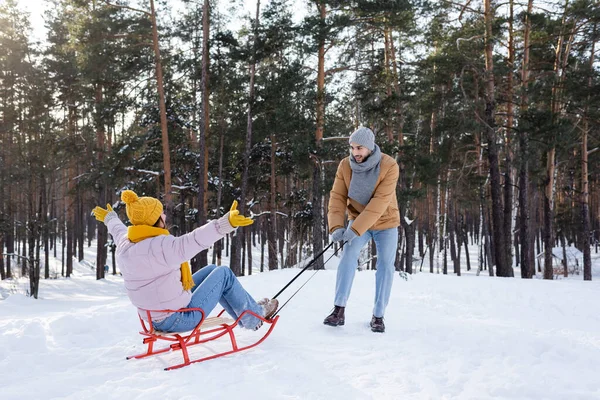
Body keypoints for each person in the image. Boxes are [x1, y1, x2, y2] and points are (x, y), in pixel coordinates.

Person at [92, 190, 278, 332]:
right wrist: (225, 224)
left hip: (154, 318)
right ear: (154, 221)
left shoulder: (127, 243)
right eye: (160, 214)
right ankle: (254, 317)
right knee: (224, 274)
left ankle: (248, 312)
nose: (164, 216)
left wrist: (110, 218)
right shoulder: (162, 247)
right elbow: (195, 239)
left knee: (212, 269)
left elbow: (118, 230)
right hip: (178, 319)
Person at [324, 127, 400, 333]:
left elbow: (379, 202)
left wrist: (354, 230)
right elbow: (337, 197)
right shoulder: (345, 165)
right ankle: (338, 310)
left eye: (360, 148)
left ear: (370, 147)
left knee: (385, 265)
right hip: (357, 219)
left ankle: (378, 315)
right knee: (348, 256)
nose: (355, 152)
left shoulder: (389, 165)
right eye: (352, 147)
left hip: (386, 222)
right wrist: (337, 227)